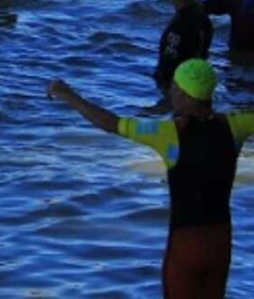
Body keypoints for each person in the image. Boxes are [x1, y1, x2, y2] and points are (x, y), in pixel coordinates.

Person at [50, 61, 252, 299]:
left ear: (186, 94)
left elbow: (111, 123)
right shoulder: (236, 126)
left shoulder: (169, 134)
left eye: (175, 87)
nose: (171, 92)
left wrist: (68, 95)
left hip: (185, 244)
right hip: (220, 242)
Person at [160, 0, 215, 100]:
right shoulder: (202, 16)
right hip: (196, 83)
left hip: (181, 91)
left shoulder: (179, 26)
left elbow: (167, 69)